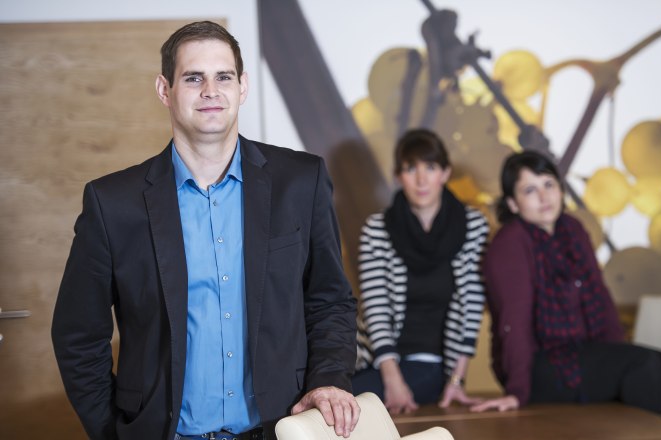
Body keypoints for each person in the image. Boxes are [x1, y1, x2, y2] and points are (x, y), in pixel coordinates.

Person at [51, 21, 359, 440]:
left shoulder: (300, 182)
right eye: (193, 78)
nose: (210, 91)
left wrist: (328, 378)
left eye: (223, 77)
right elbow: (78, 336)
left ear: (242, 87)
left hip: (280, 430)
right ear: (165, 90)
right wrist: (112, 433)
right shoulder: (112, 204)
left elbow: (329, 301)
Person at [472, 151, 661, 413]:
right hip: (538, 364)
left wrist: (616, 358)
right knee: (640, 367)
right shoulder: (510, 243)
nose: (544, 197)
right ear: (513, 204)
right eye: (530, 190)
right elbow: (513, 322)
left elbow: (600, 298)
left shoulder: (572, 230)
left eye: (549, 185)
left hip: (582, 350)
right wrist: (518, 390)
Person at [351, 128, 489, 414]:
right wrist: (392, 379)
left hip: (432, 363)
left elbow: (471, 308)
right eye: (410, 168)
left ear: (446, 173)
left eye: (431, 167)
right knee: (323, 397)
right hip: (376, 359)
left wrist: (457, 380)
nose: (421, 179)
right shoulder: (377, 229)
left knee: (347, 403)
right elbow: (375, 309)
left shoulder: (473, 225)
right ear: (398, 176)